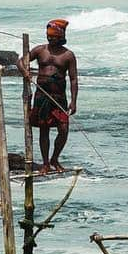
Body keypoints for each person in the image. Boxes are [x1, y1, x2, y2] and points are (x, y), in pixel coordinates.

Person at [20, 19, 78, 173]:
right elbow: (21, 61)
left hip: (59, 97)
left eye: (54, 37)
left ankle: (55, 158)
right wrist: (25, 72)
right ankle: (45, 163)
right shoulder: (40, 50)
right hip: (42, 96)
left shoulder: (68, 55)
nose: (50, 39)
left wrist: (74, 101)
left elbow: (73, 79)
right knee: (43, 129)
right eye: (49, 36)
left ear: (60, 36)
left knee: (63, 129)